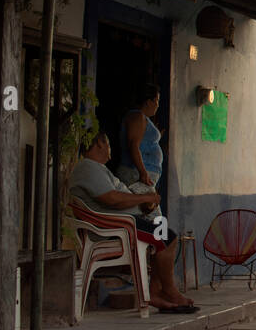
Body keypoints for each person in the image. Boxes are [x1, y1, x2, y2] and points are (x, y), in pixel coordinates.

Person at [70, 131, 196, 313]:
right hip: (117, 226)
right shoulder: (88, 168)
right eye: (108, 145)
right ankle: (169, 291)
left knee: (165, 233)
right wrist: (143, 198)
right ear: (99, 144)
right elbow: (111, 198)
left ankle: (155, 291)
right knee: (167, 237)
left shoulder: (95, 168)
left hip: (122, 222)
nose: (110, 149)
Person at [119, 83, 164, 188]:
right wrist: (143, 173)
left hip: (142, 173)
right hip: (136, 174)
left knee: (150, 203)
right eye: (157, 101)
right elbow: (133, 145)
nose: (158, 105)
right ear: (149, 102)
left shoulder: (143, 118)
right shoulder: (137, 116)